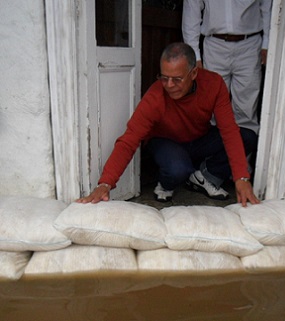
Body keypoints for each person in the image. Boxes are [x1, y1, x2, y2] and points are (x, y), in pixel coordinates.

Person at [77, 42, 260, 206]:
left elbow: (228, 130)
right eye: (164, 78)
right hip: (165, 143)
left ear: (194, 73)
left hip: (199, 139)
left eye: (177, 79)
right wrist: (105, 183)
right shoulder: (155, 96)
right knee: (177, 169)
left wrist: (241, 177)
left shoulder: (214, 84)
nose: (169, 85)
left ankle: (203, 177)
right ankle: (165, 184)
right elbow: (129, 140)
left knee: (247, 137)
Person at [182, 0, 273, 135]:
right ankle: (216, 155)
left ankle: (241, 155)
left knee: (246, 110)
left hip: (250, 44)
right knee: (212, 107)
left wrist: (267, 42)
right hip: (214, 45)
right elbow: (191, 10)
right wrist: (194, 55)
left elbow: (267, 6)